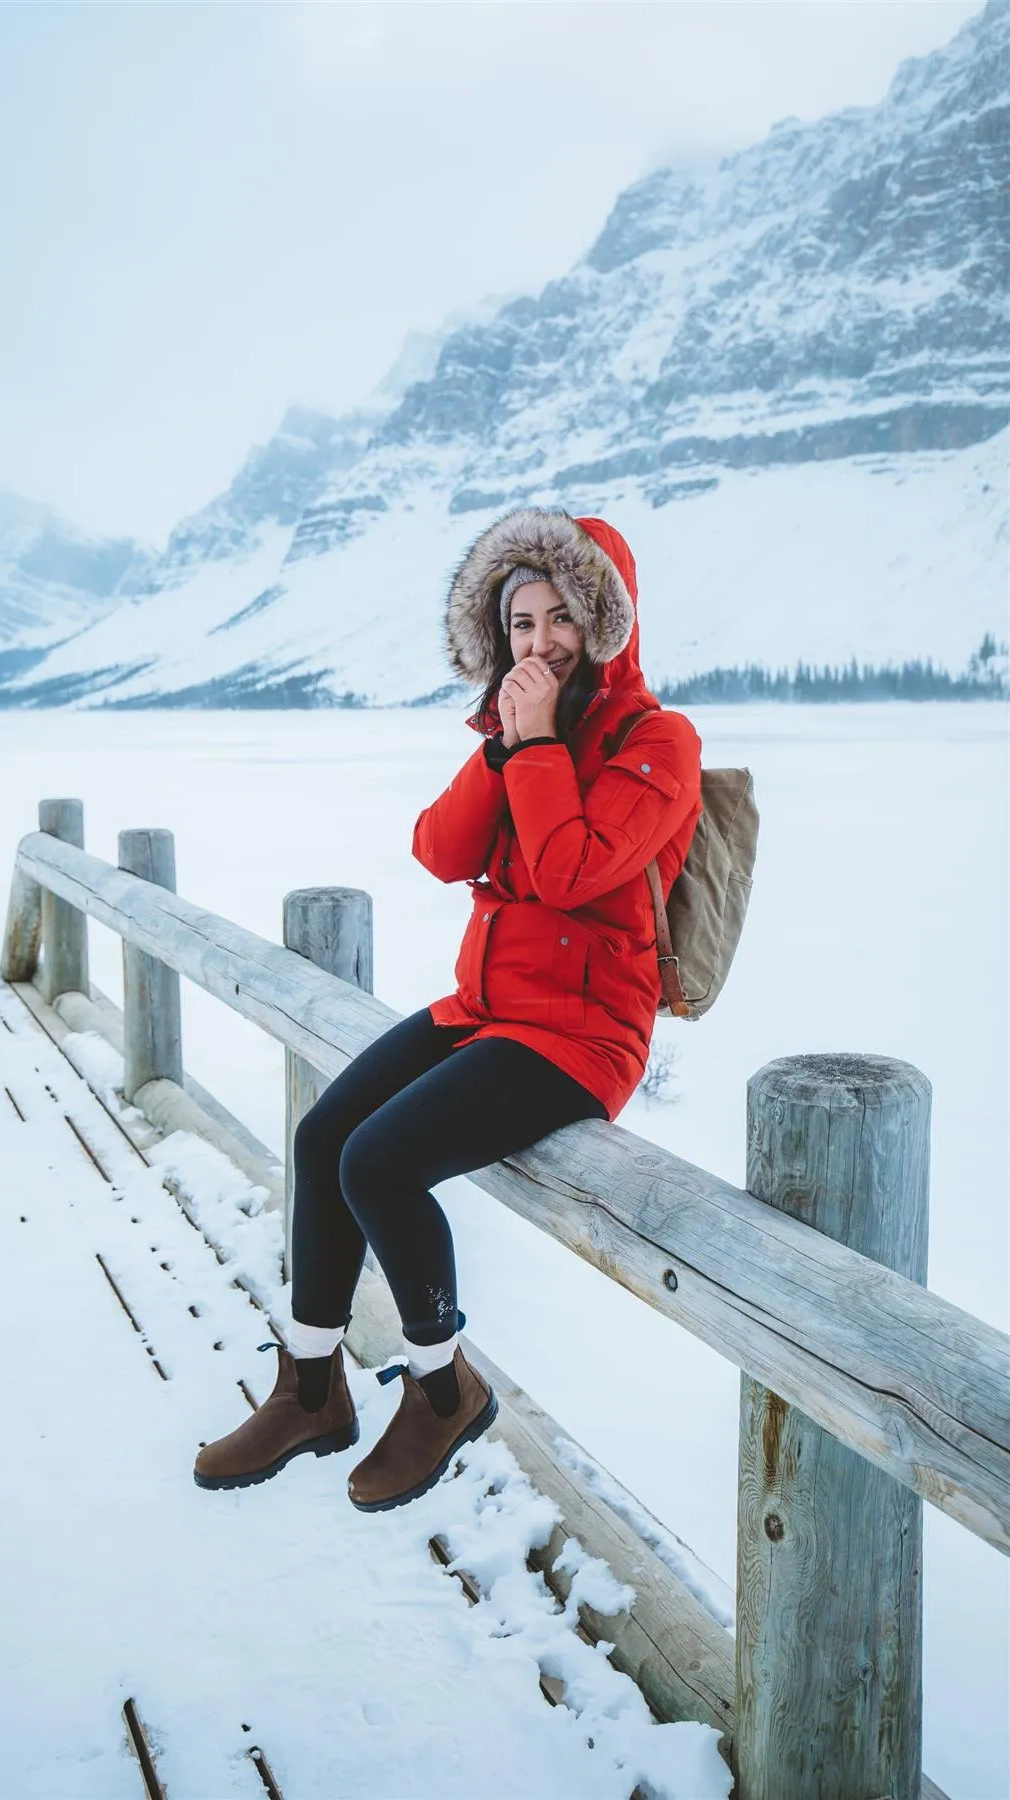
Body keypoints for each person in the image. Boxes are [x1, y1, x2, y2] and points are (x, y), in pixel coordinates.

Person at [193, 507, 702, 1511]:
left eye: (562, 617)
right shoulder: (516, 737)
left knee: (377, 1163)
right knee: (324, 1134)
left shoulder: (660, 743)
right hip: (488, 1007)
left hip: (583, 1037)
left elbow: (567, 873)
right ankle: (309, 1389)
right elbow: (439, 851)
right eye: (520, 623)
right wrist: (505, 749)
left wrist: (541, 743)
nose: (541, 641)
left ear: (606, 622)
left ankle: (443, 1389)